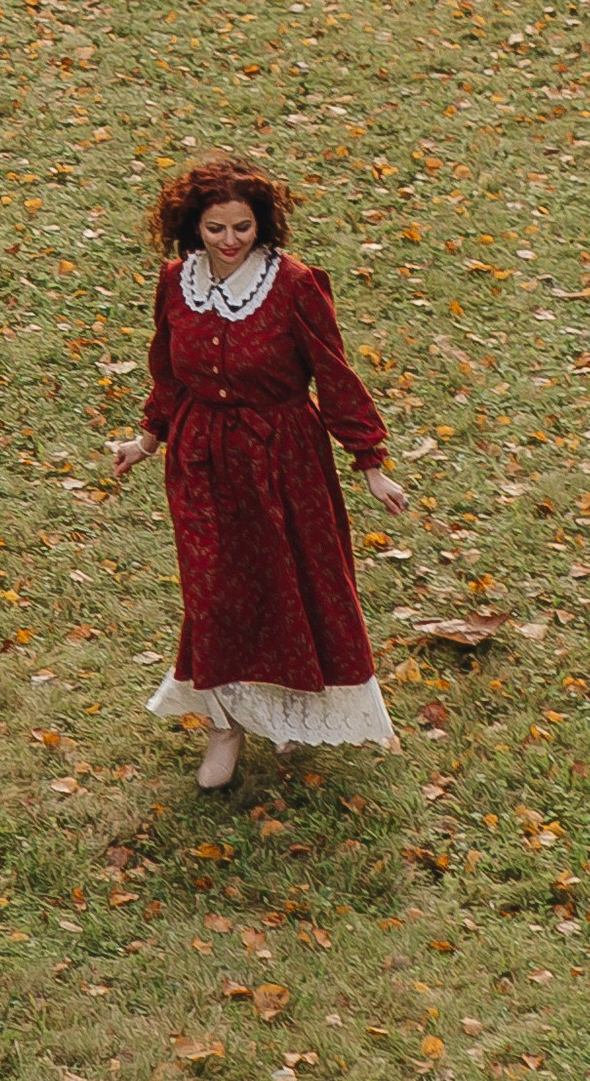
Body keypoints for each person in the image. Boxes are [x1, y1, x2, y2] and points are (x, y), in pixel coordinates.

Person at [108, 156, 406, 791]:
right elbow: (167, 367)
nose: (229, 240)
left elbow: (334, 374)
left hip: (283, 457)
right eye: (216, 228)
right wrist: (148, 437)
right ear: (194, 227)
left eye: (242, 226)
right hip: (201, 458)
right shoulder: (174, 282)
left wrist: (371, 463)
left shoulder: (293, 285)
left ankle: (293, 710)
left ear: (261, 224)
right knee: (212, 593)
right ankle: (225, 723)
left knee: (289, 585)